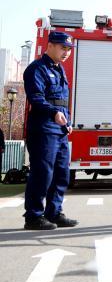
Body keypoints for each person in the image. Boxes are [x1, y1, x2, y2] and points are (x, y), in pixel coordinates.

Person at [22, 31, 78, 230]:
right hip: (43, 129)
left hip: (60, 130)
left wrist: (67, 121)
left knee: (62, 173)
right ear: (51, 45)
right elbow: (36, 97)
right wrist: (53, 112)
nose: (66, 53)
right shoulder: (36, 69)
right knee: (42, 172)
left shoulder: (60, 70)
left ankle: (54, 212)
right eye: (63, 48)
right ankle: (34, 216)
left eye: (69, 49)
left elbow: (62, 101)